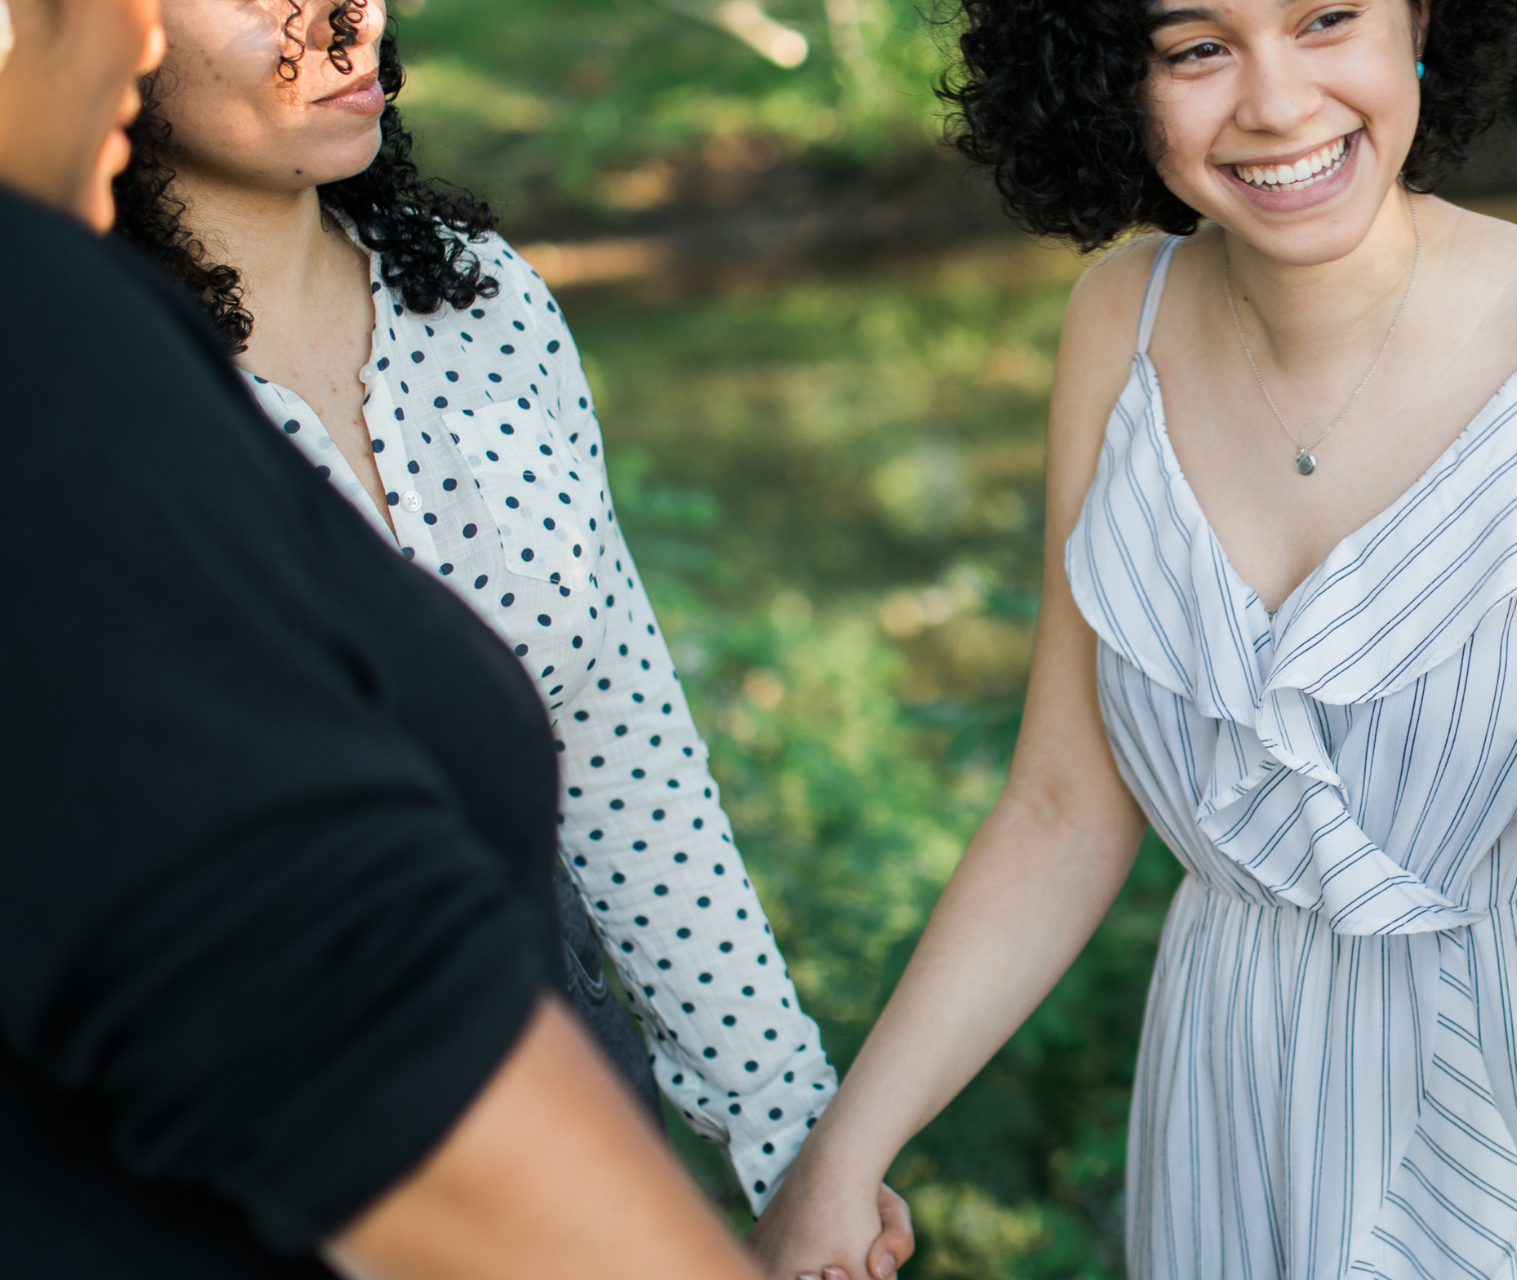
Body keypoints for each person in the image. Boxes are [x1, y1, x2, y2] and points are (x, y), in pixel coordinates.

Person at [750, 0, 1517, 1276]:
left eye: (1327, 19)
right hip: (1228, 1097)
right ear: (1110, 77)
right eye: (1195, 46)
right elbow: (1058, 809)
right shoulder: (1118, 321)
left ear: (1422, 20)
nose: (1274, 103)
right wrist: (840, 1157)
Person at [108, 6, 914, 1248]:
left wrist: (793, 1133)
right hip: (253, 1148)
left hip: (567, 1075)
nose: (341, 21)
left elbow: (624, 753)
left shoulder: (481, 300)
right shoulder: (86, 387)